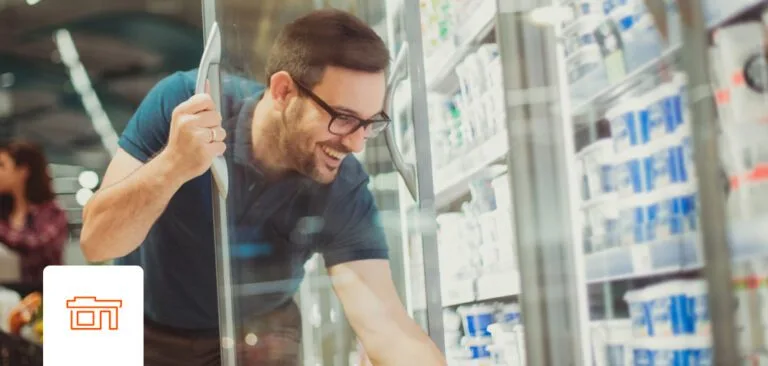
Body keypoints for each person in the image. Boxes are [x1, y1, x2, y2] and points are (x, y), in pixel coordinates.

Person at [80, 9, 446, 366]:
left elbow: (386, 327)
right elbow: (97, 242)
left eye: (369, 124)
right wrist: (173, 164)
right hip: (145, 327)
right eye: (343, 118)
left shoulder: (343, 185)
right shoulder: (188, 105)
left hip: (259, 336)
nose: (356, 144)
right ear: (284, 91)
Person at [0, 141, 68, 285]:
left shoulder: (52, 212)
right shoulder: (4, 212)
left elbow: (36, 245)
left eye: (2, 166)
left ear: (23, 171)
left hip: (46, 292)